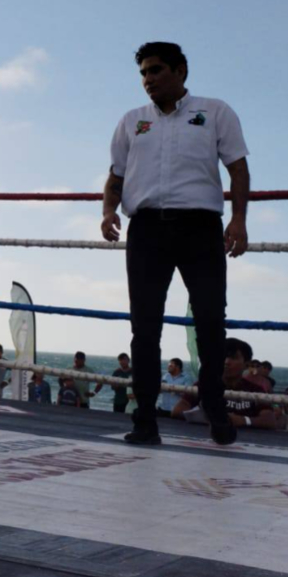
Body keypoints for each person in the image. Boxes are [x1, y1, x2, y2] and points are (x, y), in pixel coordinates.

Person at [103, 40, 250, 448]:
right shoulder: (132, 120)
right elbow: (115, 175)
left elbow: (237, 167)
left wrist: (239, 219)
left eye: (155, 70)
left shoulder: (215, 111)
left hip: (200, 226)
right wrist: (107, 211)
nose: (148, 79)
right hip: (146, 229)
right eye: (143, 73)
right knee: (144, 329)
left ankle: (214, 408)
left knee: (210, 322)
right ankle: (145, 420)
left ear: (180, 71)